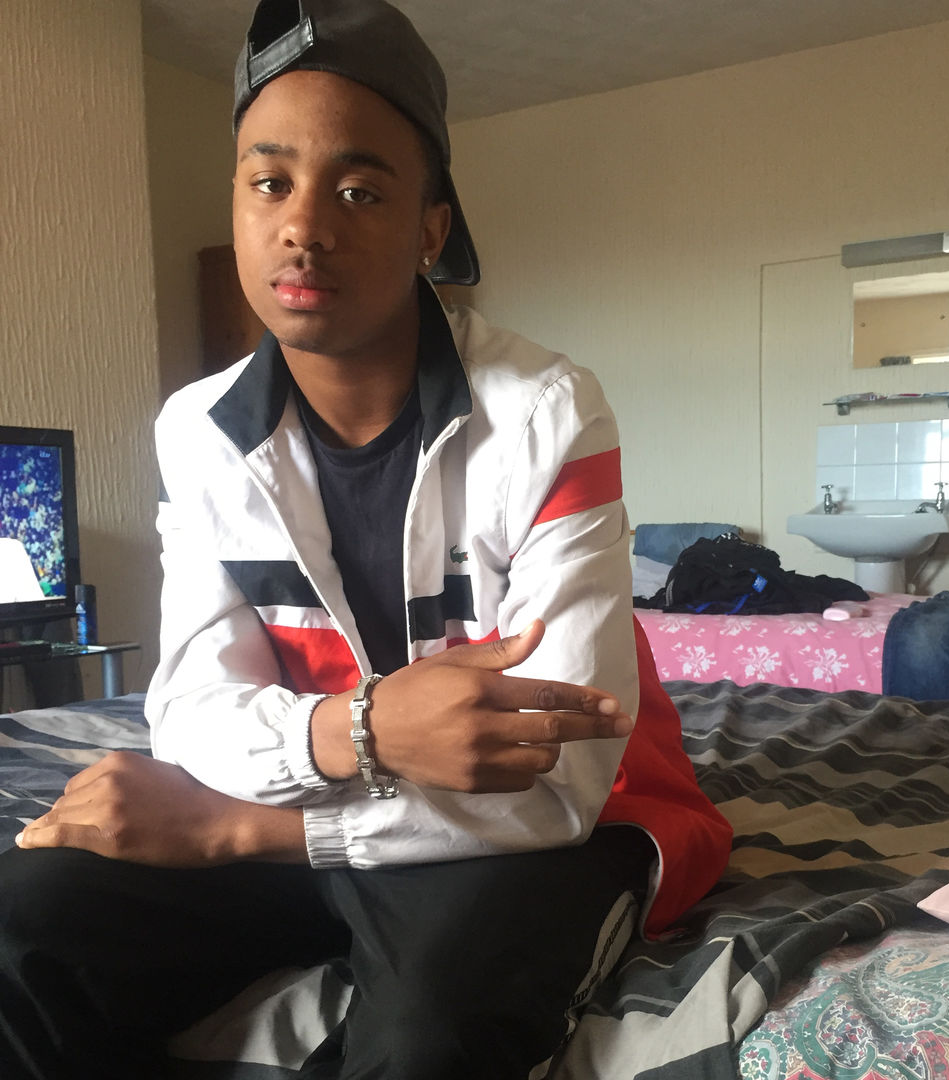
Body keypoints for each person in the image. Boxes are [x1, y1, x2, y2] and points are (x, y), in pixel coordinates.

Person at [0, 2, 732, 1077]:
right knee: (20, 927)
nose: (303, 225)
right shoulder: (198, 432)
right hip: (310, 780)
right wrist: (358, 737)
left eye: (358, 190)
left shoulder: (546, 411)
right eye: (269, 181)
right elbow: (192, 709)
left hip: (526, 818)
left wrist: (236, 830)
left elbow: (558, 780)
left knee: (429, 1034)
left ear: (430, 229)